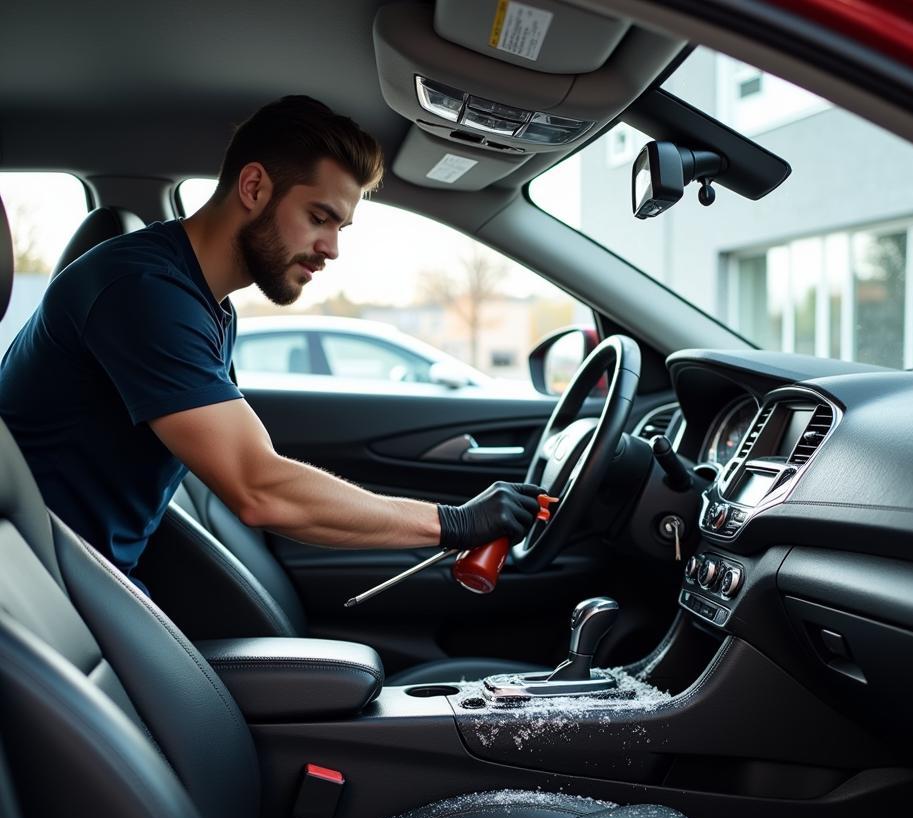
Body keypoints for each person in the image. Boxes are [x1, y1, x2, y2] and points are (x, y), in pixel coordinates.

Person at [0, 96, 541, 586]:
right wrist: (455, 522)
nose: (331, 249)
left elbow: (254, 466)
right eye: (318, 217)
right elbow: (259, 488)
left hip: (89, 580)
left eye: (340, 228)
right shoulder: (141, 291)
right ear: (254, 187)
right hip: (48, 591)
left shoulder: (208, 304)